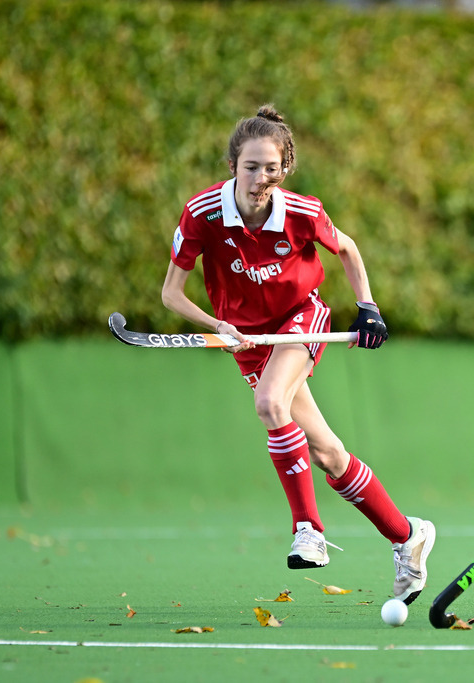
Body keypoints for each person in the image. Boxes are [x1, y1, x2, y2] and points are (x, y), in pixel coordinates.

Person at [161, 104, 435, 605]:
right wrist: (217, 325)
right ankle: (406, 536)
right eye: (251, 166)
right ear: (232, 165)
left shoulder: (303, 212)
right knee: (329, 453)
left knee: (270, 404)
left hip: (300, 318)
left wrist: (368, 307)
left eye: (271, 167)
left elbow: (348, 250)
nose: (260, 177)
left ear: (284, 168)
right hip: (245, 336)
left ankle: (308, 528)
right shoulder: (201, 214)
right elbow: (172, 295)